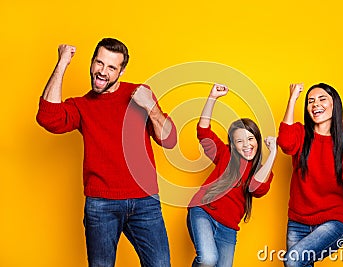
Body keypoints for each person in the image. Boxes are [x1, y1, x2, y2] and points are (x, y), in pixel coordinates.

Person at [36, 38, 177, 267]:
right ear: (92, 63)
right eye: (99, 63)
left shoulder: (139, 93)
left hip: (144, 201)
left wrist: (150, 106)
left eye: (111, 67)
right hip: (101, 205)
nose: (102, 72)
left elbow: (169, 140)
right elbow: (47, 117)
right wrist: (62, 62)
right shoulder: (82, 105)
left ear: (121, 71)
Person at [277, 82, 343, 267]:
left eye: (322, 99)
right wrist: (293, 98)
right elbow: (286, 143)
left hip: (334, 221)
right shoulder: (300, 133)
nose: (315, 104)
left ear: (334, 104)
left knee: (293, 260)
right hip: (298, 220)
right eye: (310, 101)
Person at [187, 84, 277, 267]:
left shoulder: (263, 170)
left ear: (258, 141)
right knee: (208, 259)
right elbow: (203, 131)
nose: (246, 145)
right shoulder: (225, 154)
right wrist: (212, 98)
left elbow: (256, 188)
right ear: (233, 145)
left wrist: (273, 153)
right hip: (203, 211)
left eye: (250, 139)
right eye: (240, 141)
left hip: (228, 228)